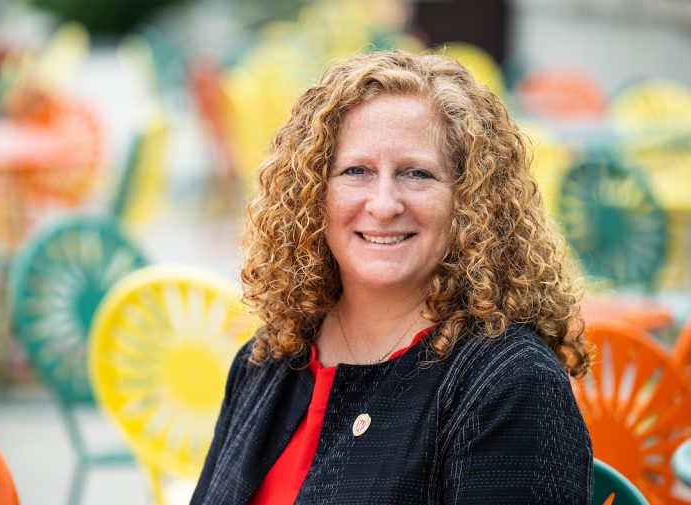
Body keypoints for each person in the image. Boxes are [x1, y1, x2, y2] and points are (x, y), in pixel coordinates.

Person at [191, 50, 593, 505]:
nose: (383, 205)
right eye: (356, 171)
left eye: (417, 173)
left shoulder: (510, 385)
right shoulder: (269, 357)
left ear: (470, 201)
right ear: (311, 194)